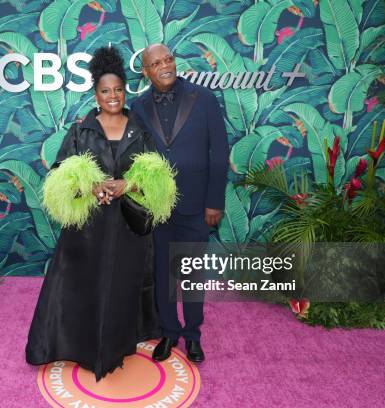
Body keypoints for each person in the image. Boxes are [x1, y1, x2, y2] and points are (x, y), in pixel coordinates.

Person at [25, 46, 164, 381]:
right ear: (95, 93)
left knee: (120, 290)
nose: (112, 96)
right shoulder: (80, 130)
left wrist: (127, 184)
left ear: (124, 90)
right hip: (87, 230)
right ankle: (77, 347)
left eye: (118, 89)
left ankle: (116, 347)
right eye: (105, 91)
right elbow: (59, 173)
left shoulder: (140, 129)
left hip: (129, 229)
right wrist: (90, 186)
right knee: (81, 290)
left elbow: (157, 176)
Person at [130, 44, 229, 363]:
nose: (165, 66)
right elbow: (136, 157)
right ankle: (169, 333)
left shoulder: (204, 98)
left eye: (168, 59)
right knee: (164, 273)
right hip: (158, 207)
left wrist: (214, 202)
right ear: (146, 71)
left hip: (198, 204)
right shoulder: (139, 106)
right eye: (156, 63)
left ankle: (193, 336)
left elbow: (220, 152)